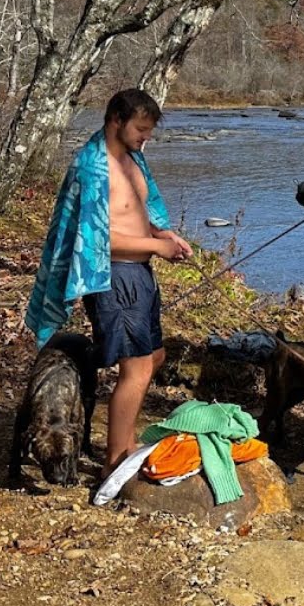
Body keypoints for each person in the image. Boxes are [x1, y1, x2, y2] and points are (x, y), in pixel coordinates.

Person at [25, 88, 192, 478]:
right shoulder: (91, 169)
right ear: (116, 119)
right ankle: (115, 462)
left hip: (140, 275)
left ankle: (125, 439)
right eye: (140, 129)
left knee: (153, 358)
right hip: (113, 276)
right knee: (136, 368)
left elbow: (139, 213)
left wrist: (164, 236)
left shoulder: (133, 160)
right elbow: (94, 238)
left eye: (148, 131)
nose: (144, 137)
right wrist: (154, 245)